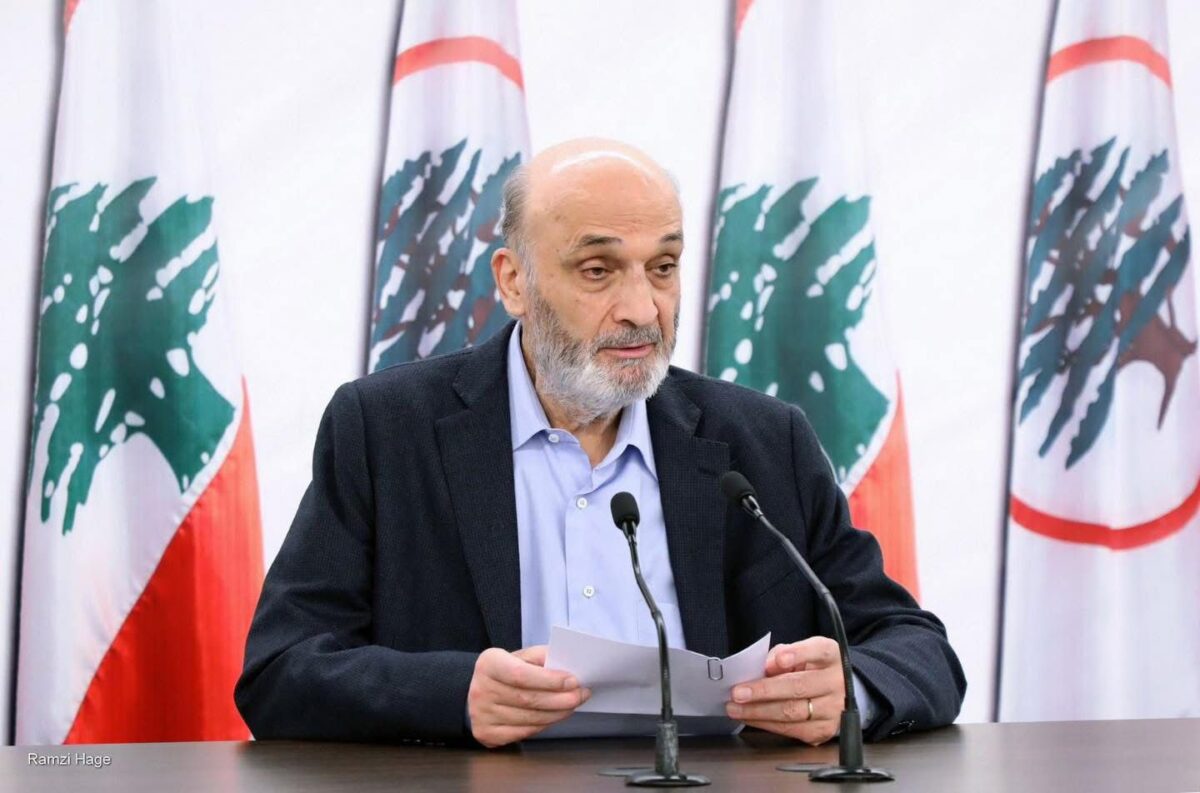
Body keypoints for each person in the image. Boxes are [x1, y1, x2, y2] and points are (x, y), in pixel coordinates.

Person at [235, 138, 965, 749]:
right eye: (598, 271)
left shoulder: (764, 443)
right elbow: (280, 669)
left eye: (663, 267)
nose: (642, 308)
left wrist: (850, 691)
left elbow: (916, 646)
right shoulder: (386, 430)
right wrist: (454, 694)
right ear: (514, 282)